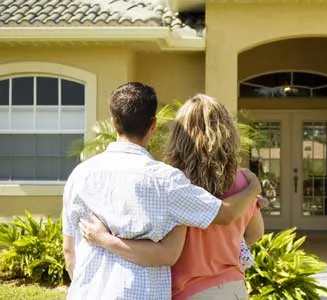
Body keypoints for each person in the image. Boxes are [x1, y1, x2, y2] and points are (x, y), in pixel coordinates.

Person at [62, 83, 261, 300]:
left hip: (94, 293)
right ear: (153, 125)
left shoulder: (80, 175)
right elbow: (235, 222)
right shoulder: (168, 181)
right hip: (227, 289)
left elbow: (70, 252)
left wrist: (101, 241)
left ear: (113, 122)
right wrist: (254, 188)